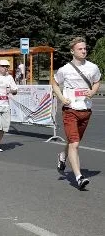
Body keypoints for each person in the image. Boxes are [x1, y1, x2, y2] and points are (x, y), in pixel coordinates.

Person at [52, 37, 101, 190]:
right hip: (70, 110)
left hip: (85, 110)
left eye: (85, 48)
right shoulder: (65, 69)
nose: (84, 51)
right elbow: (54, 82)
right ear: (72, 51)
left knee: (74, 141)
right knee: (75, 143)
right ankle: (79, 177)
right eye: (80, 49)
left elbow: (97, 81)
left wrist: (92, 92)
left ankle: (62, 155)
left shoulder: (93, 67)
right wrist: (61, 97)